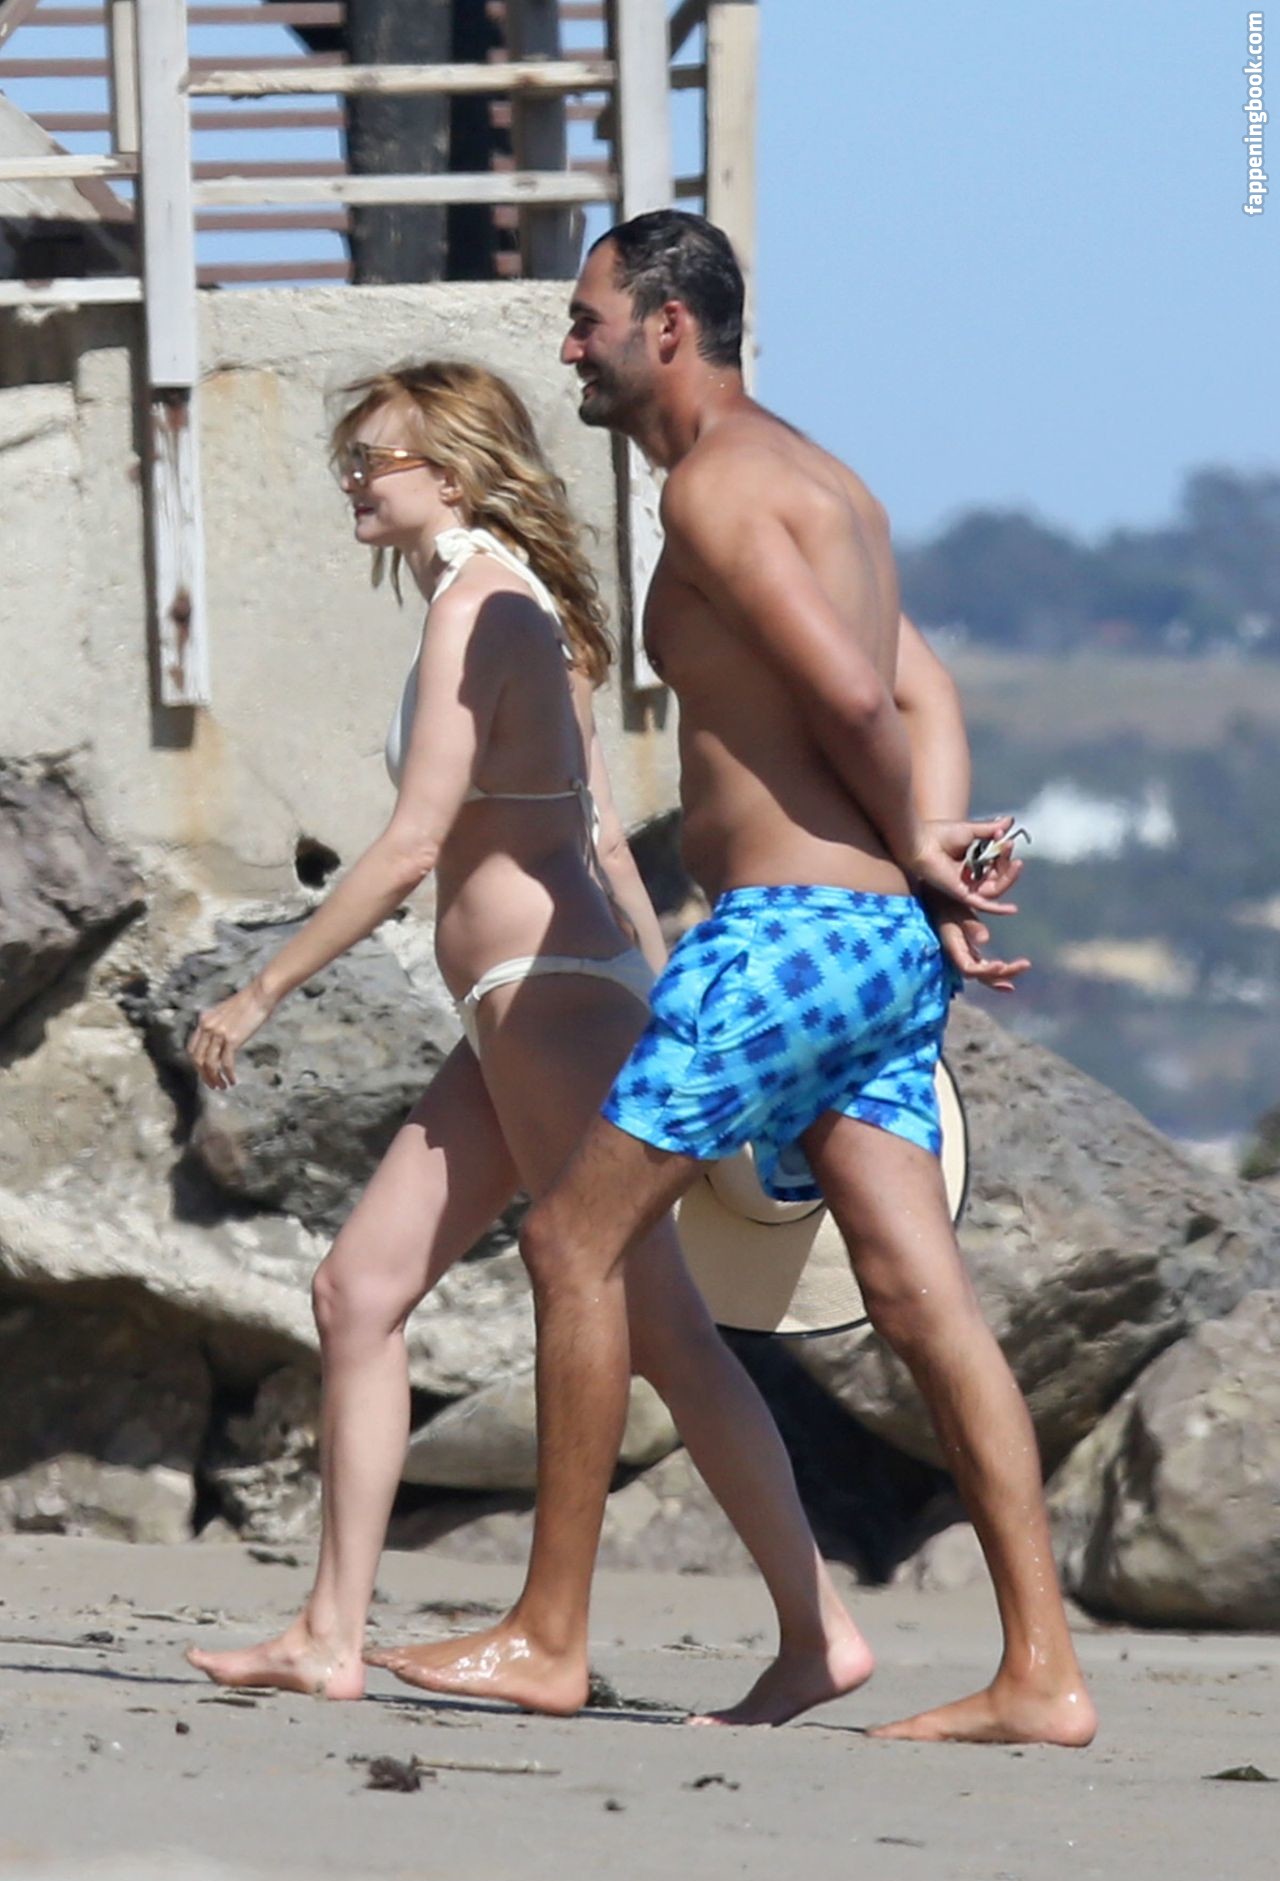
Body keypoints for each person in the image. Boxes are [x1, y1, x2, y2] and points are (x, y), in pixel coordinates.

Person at [373, 215, 1098, 1748]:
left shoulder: (714, 489)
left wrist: (915, 843)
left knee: (573, 1241)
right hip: (875, 951)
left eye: (588, 320)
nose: (569, 346)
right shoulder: (827, 482)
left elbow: (855, 700)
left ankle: (548, 1635)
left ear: (669, 329)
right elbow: (923, 692)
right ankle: (1042, 1672)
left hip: (784, 940)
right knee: (922, 1299)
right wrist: (929, 873)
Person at [184, 358, 887, 1712]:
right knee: (359, 1292)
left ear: (450, 471)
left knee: (664, 1327)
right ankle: (330, 1634)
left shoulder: (481, 607)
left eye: (375, 459)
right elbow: (604, 837)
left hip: (543, 990)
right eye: (350, 458)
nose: (353, 479)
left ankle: (817, 1630)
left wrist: (260, 989)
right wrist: (668, 1001)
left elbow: (412, 847)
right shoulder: (522, 602)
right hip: (538, 996)